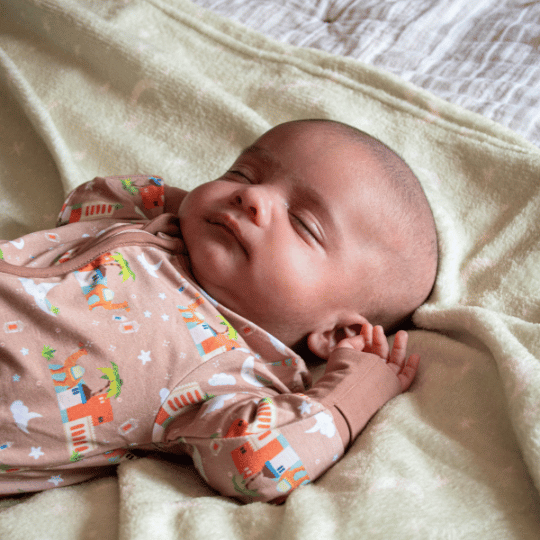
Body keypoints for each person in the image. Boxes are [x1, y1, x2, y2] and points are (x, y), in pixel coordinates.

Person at [0, 119, 437, 503]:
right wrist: (188, 208)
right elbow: (83, 202)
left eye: (304, 223)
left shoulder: (232, 370)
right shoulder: (154, 227)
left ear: (338, 334)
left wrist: (352, 394)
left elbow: (259, 462)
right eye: (242, 173)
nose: (252, 196)